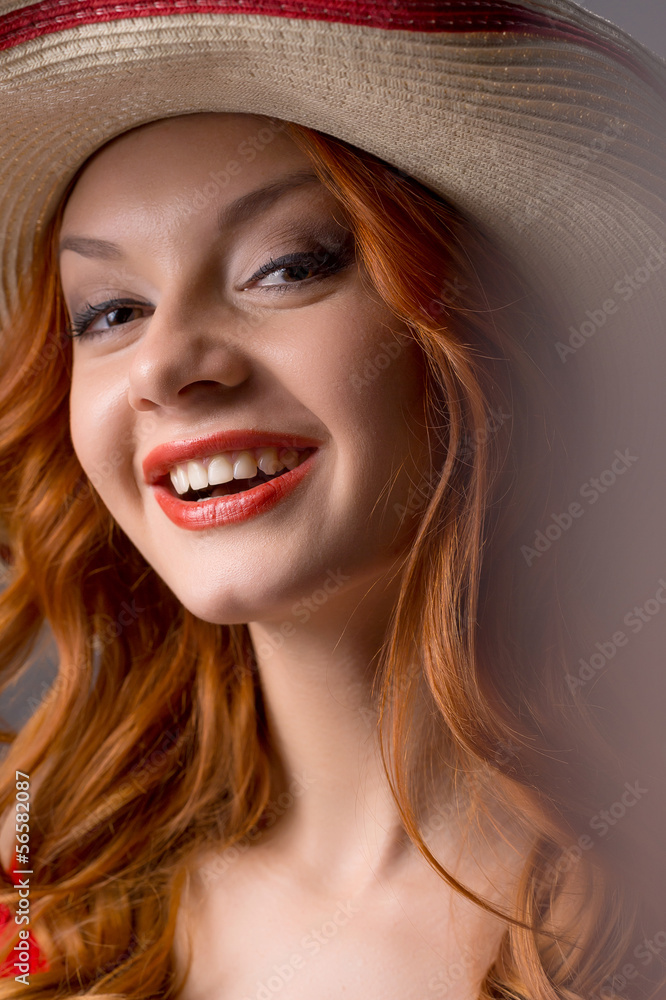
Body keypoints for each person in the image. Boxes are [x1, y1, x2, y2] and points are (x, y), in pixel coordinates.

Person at [0, 3, 664, 999]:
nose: (164, 366)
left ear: (484, 328)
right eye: (111, 311)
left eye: (287, 267)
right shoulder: (34, 908)